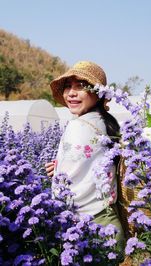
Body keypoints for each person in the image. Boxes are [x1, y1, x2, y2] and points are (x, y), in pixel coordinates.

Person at [45, 61, 125, 252]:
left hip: (89, 228)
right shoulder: (104, 122)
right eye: (68, 87)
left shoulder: (79, 126)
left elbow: (66, 186)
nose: (71, 93)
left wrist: (59, 173)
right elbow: (86, 163)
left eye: (80, 86)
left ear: (97, 93)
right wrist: (59, 166)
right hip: (108, 225)